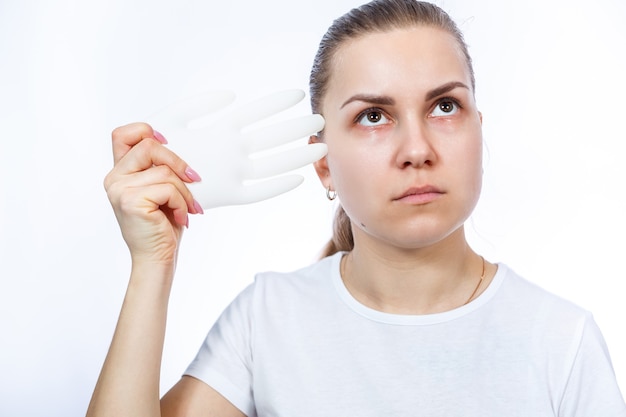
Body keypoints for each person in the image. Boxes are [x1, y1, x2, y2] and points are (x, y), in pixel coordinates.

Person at [87, 0, 626, 416]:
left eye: (444, 106)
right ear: (323, 163)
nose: (417, 151)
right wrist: (152, 263)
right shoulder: (268, 319)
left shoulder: (561, 339)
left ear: (477, 133)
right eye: (373, 116)